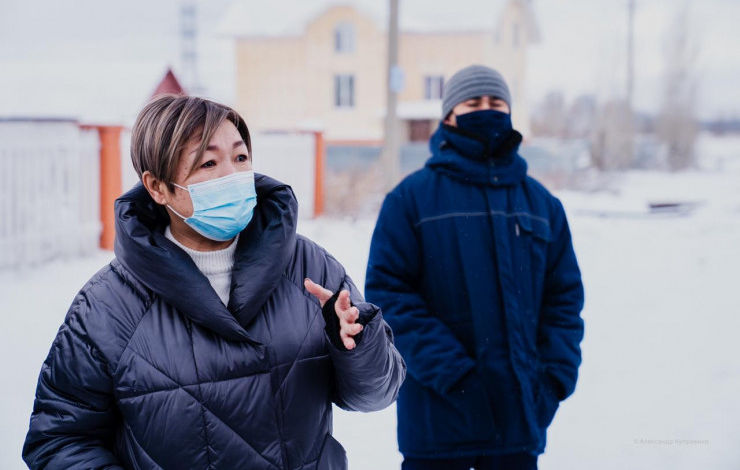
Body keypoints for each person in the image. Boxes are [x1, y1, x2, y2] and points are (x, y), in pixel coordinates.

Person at [23, 95, 405, 469]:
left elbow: (378, 394)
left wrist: (355, 345)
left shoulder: (309, 268)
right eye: (208, 162)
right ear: (158, 187)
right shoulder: (108, 307)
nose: (233, 176)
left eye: (240, 157)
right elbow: (59, 441)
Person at [365, 65, 584, 470]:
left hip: (519, 426)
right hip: (437, 425)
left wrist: (554, 378)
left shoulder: (542, 205)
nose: (487, 110)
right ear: (449, 115)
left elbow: (564, 300)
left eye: (496, 102)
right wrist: (456, 376)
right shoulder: (410, 200)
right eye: (474, 102)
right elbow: (389, 295)